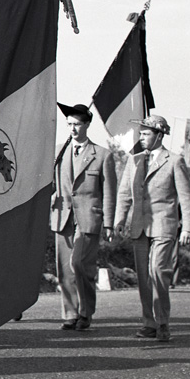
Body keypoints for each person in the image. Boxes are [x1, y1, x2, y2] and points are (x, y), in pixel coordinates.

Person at [115, 115, 190, 342]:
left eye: (146, 134)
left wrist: (188, 228)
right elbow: (124, 193)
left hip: (164, 225)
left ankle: (162, 322)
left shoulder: (175, 161)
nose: (141, 138)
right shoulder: (134, 160)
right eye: (140, 134)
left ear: (159, 136)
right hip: (139, 226)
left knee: (158, 270)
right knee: (143, 276)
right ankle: (148, 323)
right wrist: (119, 220)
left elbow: (186, 197)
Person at [51, 103, 116, 331]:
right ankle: (70, 314)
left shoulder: (103, 155)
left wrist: (109, 223)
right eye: (69, 124)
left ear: (87, 124)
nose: (73, 128)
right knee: (65, 269)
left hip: (89, 217)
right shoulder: (58, 152)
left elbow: (109, 192)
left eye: (77, 124)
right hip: (62, 216)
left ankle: (86, 312)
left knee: (79, 264)